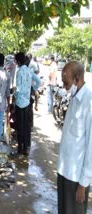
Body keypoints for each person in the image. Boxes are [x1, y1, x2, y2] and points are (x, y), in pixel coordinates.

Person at [57, 61, 92, 214]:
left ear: (77, 79)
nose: (64, 87)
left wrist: (83, 183)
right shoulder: (74, 98)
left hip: (76, 177)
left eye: (66, 83)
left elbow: (91, 146)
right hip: (64, 170)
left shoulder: (89, 102)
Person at [14, 52, 40, 156]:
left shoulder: (19, 72)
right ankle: (25, 148)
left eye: (16, 61)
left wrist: (15, 92)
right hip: (27, 103)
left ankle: (20, 148)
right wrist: (33, 88)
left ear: (19, 61)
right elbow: (38, 81)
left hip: (20, 103)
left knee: (19, 126)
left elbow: (19, 87)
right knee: (26, 126)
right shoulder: (30, 71)